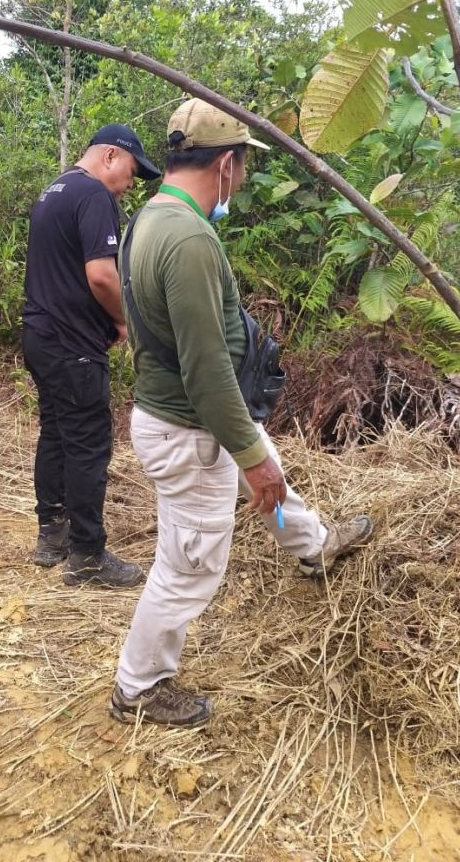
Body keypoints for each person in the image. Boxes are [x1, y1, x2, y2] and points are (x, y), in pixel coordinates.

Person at [109, 98, 373, 727]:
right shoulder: (190, 239)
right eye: (244, 168)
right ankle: (137, 687)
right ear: (226, 164)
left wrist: (256, 453)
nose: (243, 180)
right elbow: (205, 369)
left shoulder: (151, 218)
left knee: (272, 473)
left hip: (192, 418)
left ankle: (312, 546)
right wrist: (250, 459)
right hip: (191, 428)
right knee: (190, 564)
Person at [22, 124, 161, 588]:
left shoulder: (53, 190)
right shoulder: (94, 196)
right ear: (109, 156)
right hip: (72, 343)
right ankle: (86, 555)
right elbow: (102, 275)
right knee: (87, 444)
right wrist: (125, 322)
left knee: (57, 434)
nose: (130, 184)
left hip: (40, 336)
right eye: (131, 171)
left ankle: (51, 536)